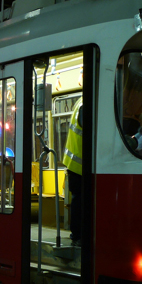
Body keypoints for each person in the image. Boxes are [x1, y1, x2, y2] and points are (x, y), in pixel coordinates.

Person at [63, 98, 83, 246]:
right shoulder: (86, 105)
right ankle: (77, 235)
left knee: (78, 201)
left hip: (75, 164)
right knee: (80, 202)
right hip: (80, 166)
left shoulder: (79, 102)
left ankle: (77, 234)